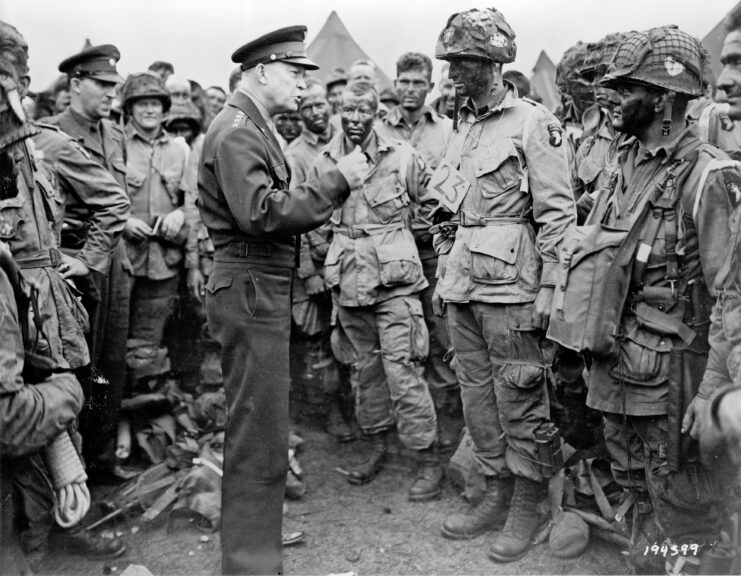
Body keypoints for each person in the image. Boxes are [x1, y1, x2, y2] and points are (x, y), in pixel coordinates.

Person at [564, 26, 739, 572]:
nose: (613, 98)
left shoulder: (710, 176)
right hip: (619, 369)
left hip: (673, 382)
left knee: (684, 510)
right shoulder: (628, 163)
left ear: (664, 99)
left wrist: (711, 391)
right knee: (634, 491)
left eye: (628, 88)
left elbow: (733, 298)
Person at [197, 25, 368, 575]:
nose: (302, 85)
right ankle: (250, 565)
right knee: (256, 435)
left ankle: (255, 556)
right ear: (263, 70)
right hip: (250, 286)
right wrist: (336, 181)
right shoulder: (238, 130)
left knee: (263, 431)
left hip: (256, 286)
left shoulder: (247, 125)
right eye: (295, 73)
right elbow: (261, 213)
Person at [432, 7, 575, 563]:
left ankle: (529, 499)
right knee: (476, 396)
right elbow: (454, 204)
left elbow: (558, 215)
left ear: (494, 62)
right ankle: (494, 489)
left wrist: (551, 288)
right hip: (464, 283)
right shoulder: (462, 122)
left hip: (515, 288)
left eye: (466, 61)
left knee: (519, 395)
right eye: (453, 61)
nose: (456, 71)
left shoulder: (535, 123)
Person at [0, 21, 126, 561]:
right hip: (6, 299)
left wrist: (82, 260)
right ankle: (25, 544)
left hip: (45, 302)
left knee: (59, 422)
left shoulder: (45, 144)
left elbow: (112, 203)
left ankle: (72, 525)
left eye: (21, 76)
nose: (19, 88)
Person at [309, 79, 443, 499]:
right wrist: (326, 258)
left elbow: (437, 204)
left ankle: (427, 460)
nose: (353, 121)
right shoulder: (325, 162)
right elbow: (311, 219)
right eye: (346, 113)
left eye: (362, 113)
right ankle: (378, 447)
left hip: (397, 282)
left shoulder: (402, 156)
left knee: (403, 372)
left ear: (377, 114)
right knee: (365, 373)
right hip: (348, 282)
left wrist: (422, 244)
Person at [37, 43, 132, 483]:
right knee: (79, 367)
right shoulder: (50, 136)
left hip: (115, 263)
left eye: (115, 85)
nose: (111, 93)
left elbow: (118, 205)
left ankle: (103, 458)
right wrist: (87, 259)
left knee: (111, 363)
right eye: (103, 84)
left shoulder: (115, 134)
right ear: (76, 85)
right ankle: (75, 474)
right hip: (77, 264)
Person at [376, 51, 460, 448]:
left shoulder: (447, 131)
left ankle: (443, 429)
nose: (409, 90)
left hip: (431, 250)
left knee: (442, 336)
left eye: (417, 83)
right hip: (390, 255)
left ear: (430, 86)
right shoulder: (377, 130)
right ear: (395, 84)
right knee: (401, 342)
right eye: (403, 82)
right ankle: (404, 432)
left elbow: (456, 189)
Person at [284, 81, 352, 441]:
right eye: (306, 106)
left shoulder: (347, 137)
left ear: (330, 104)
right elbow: (294, 214)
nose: (314, 111)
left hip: (350, 254)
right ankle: (329, 412)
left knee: (350, 333)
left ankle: (354, 407)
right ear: (299, 113)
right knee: (316, 339)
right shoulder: (294, 155)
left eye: (319, 104)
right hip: (316, 257)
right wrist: (307, 272)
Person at [121, 72, 187, 378]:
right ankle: (115, 420)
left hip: (164, 261)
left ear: (165, 110)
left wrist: (181, 213)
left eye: (155, 104)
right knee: (114, 339)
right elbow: (98, 198)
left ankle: (141, 414)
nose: (149, 110)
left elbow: (198, 199)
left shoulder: (180, 150)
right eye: (142, 104)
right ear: (130, 109)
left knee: (149, 343)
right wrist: (123, 221)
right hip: (124, 260)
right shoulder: (116, 147)